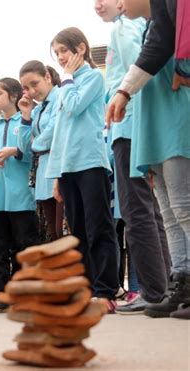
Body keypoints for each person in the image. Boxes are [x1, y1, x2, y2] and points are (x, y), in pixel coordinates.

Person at [111, 0, 190, 320]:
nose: (118, 4)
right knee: (169, 213)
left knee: (184, 206)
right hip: (153, 126)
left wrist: (123, 90)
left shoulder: (169, 18)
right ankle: (182, 281)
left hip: (174, 120)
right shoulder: (150, 27)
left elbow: (164, 48)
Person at [94, 0, 172, 315]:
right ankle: (166, 285)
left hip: (128, 126)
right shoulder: (137, 25)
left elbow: (136, 73)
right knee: (152, 210)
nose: (98, 4)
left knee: (136, 210)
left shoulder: (125, 29)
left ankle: (153, 291)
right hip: (135, 126)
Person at [47, 27, 119, 312]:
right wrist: (56, 174)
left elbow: (74, 106)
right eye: (56, 54)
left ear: (80, 49)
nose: (61, 58)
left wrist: (65, 80)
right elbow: (59, 133)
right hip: (67, 167)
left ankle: (106, 291)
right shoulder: (64, 85)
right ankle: (85, 289)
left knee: (98, 227)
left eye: (64, 51)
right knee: (76, 231)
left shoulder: (91, 79)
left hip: (90, 162)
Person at [0, 78, 40, 313]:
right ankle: (2, 295)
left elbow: (32, 154)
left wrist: (14, 151)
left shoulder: (27, 121)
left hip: (22, 196)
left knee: (25, 248)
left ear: (13, 96)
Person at [106, 0, 189, 124]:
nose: (118, 5)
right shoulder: (156, 22)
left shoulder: (124, 26)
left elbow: (159, 42)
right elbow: (159, 41)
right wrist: (124, 92)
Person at [18, 60, 63, 242]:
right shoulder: (37, 110)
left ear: (47, 77)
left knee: (65, 231)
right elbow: (25, 148)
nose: (31, 91)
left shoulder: (60, 96)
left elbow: (54, 132)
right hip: (43, 173)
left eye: (34, 84)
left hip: (61, 169)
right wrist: (26, 116)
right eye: (26, 88)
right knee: (53, 233)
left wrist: (36, 143)